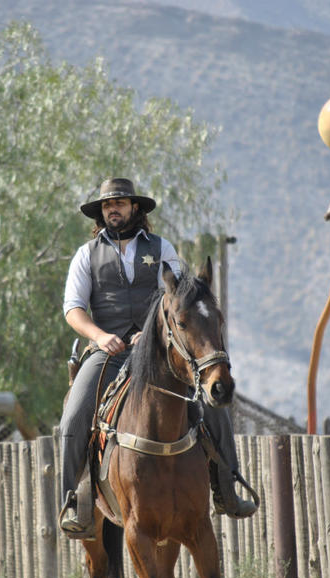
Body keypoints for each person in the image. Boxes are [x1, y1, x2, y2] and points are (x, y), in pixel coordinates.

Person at [58, 177, 256, 538]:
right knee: (73, 415)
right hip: (108, 352)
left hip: (160, 353)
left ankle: (228, 489)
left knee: (211, 404)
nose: (112, 209)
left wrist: (150, 335)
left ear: (136, 208)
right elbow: (73, 309)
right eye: (107, 205)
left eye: (119, 203)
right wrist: (101, 337)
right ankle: (75, 501)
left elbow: (182, 299)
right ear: (101, 213)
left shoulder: (162, 247)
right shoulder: (87, 254)